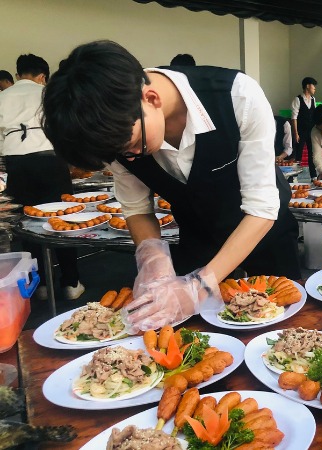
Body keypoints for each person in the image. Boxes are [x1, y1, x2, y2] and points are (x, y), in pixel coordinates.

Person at [41, 40, 300, 332]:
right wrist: (153, 259)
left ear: (151, 98)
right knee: (195, 337)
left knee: (281, 328)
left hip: (264, 232)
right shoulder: (117, 133)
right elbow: (137, 209)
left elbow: (262, 207)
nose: (128, 158)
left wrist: (200, 285)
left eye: (131, 146)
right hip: (198, 236)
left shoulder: (238, 96)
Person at [0, 54, 84, 300]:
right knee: (62, 217)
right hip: (50, 160)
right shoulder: (49, 93)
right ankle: (71, 283)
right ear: (42, 77)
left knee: (28, 223)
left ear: (18, 75)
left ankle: (41, 285)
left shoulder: (3, 96)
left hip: (16, 164)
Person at [291, 77, 317, 179]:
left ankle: (313, 176)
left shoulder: (313, 99)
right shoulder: (298, 99)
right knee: (298, 154)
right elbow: (294, 118)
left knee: (312, 154)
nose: (314, 88)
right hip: (301, 131)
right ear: (307, 86)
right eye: (313, 85)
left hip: (311, 132)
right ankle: (294, 177)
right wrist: (296, 133)